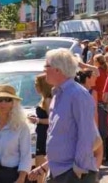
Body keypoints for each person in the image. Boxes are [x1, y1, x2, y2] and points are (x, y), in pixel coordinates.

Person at [29, 49, 98, 183]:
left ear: (58, 70)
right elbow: (62, 138)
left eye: (46, 66)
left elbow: (87, 135)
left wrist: (78, 170)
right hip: (59, 171)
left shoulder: (78, 95)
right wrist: (44, 167)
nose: (44, 71)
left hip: (74, 174)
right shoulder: (58, 94)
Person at [29, 74, 52, 183]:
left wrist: (38, 120)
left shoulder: (48, 100)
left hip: (44, 135)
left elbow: (52, 120)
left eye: (36, 84)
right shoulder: (44, 99)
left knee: (40, 169)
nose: (35, 87)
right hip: (41, 134)